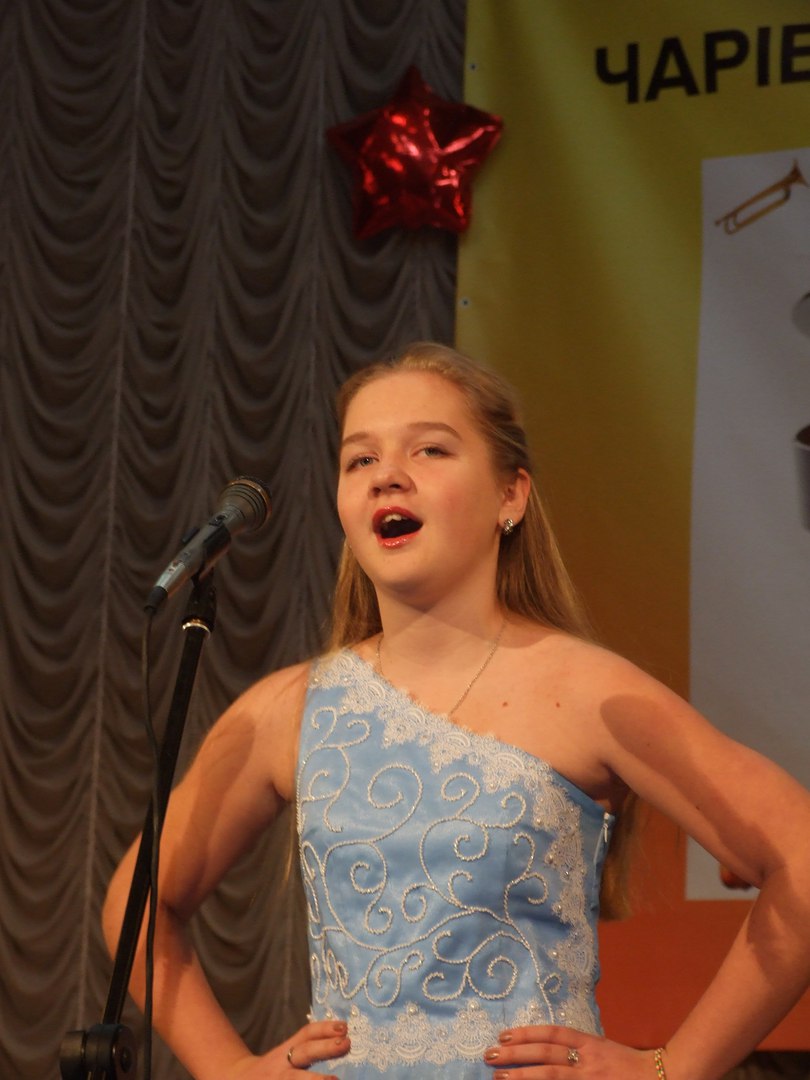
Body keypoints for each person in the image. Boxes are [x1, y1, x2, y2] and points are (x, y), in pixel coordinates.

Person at [103, 341, 810, 1080]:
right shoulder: (290, 709)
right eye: (360, 459)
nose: (387, 476)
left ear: (511, 496)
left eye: (431, 450)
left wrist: (670, 1069)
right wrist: (230, 1069)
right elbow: (135, 905)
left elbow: (798, 857)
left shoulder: (588, 692)